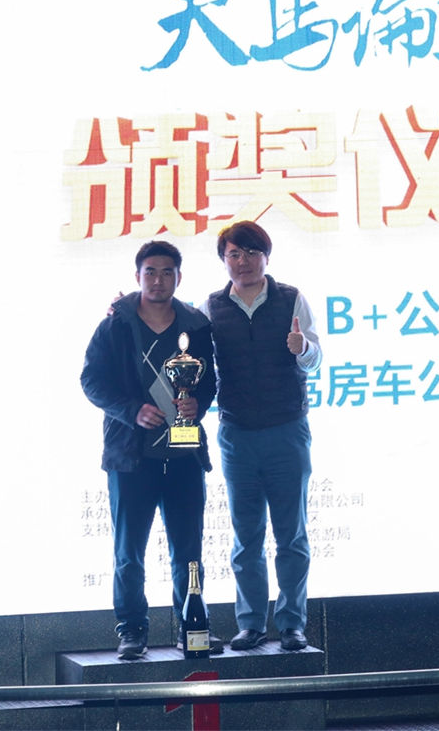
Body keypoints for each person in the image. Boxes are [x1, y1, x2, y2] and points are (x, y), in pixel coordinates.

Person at [80, 240, 218, 659]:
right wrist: (131, 411)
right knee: (129, 552)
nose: (158, 280)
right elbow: (91, 382)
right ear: (137, 276)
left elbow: (209, 381)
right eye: (150, 272)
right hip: (131, 457)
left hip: (184, 455)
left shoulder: (196, 326)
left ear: (179, 277)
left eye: (167, 272)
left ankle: (192, 625)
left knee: (189, 552)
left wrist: (198, 405)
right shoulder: (115, 326)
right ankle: (132, 630)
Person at [200, 220, 322, 651]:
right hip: (237, 434)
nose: (243, 261)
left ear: (266, 257)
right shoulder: (212, 307)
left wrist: (302, 348)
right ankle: (250, 623)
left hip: (287, 430)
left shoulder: (292, 298)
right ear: (224, 260)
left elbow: (315, 358)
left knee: (292, 535)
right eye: (234, 254)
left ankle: (292, 624)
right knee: (246, 536)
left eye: (252, 252)